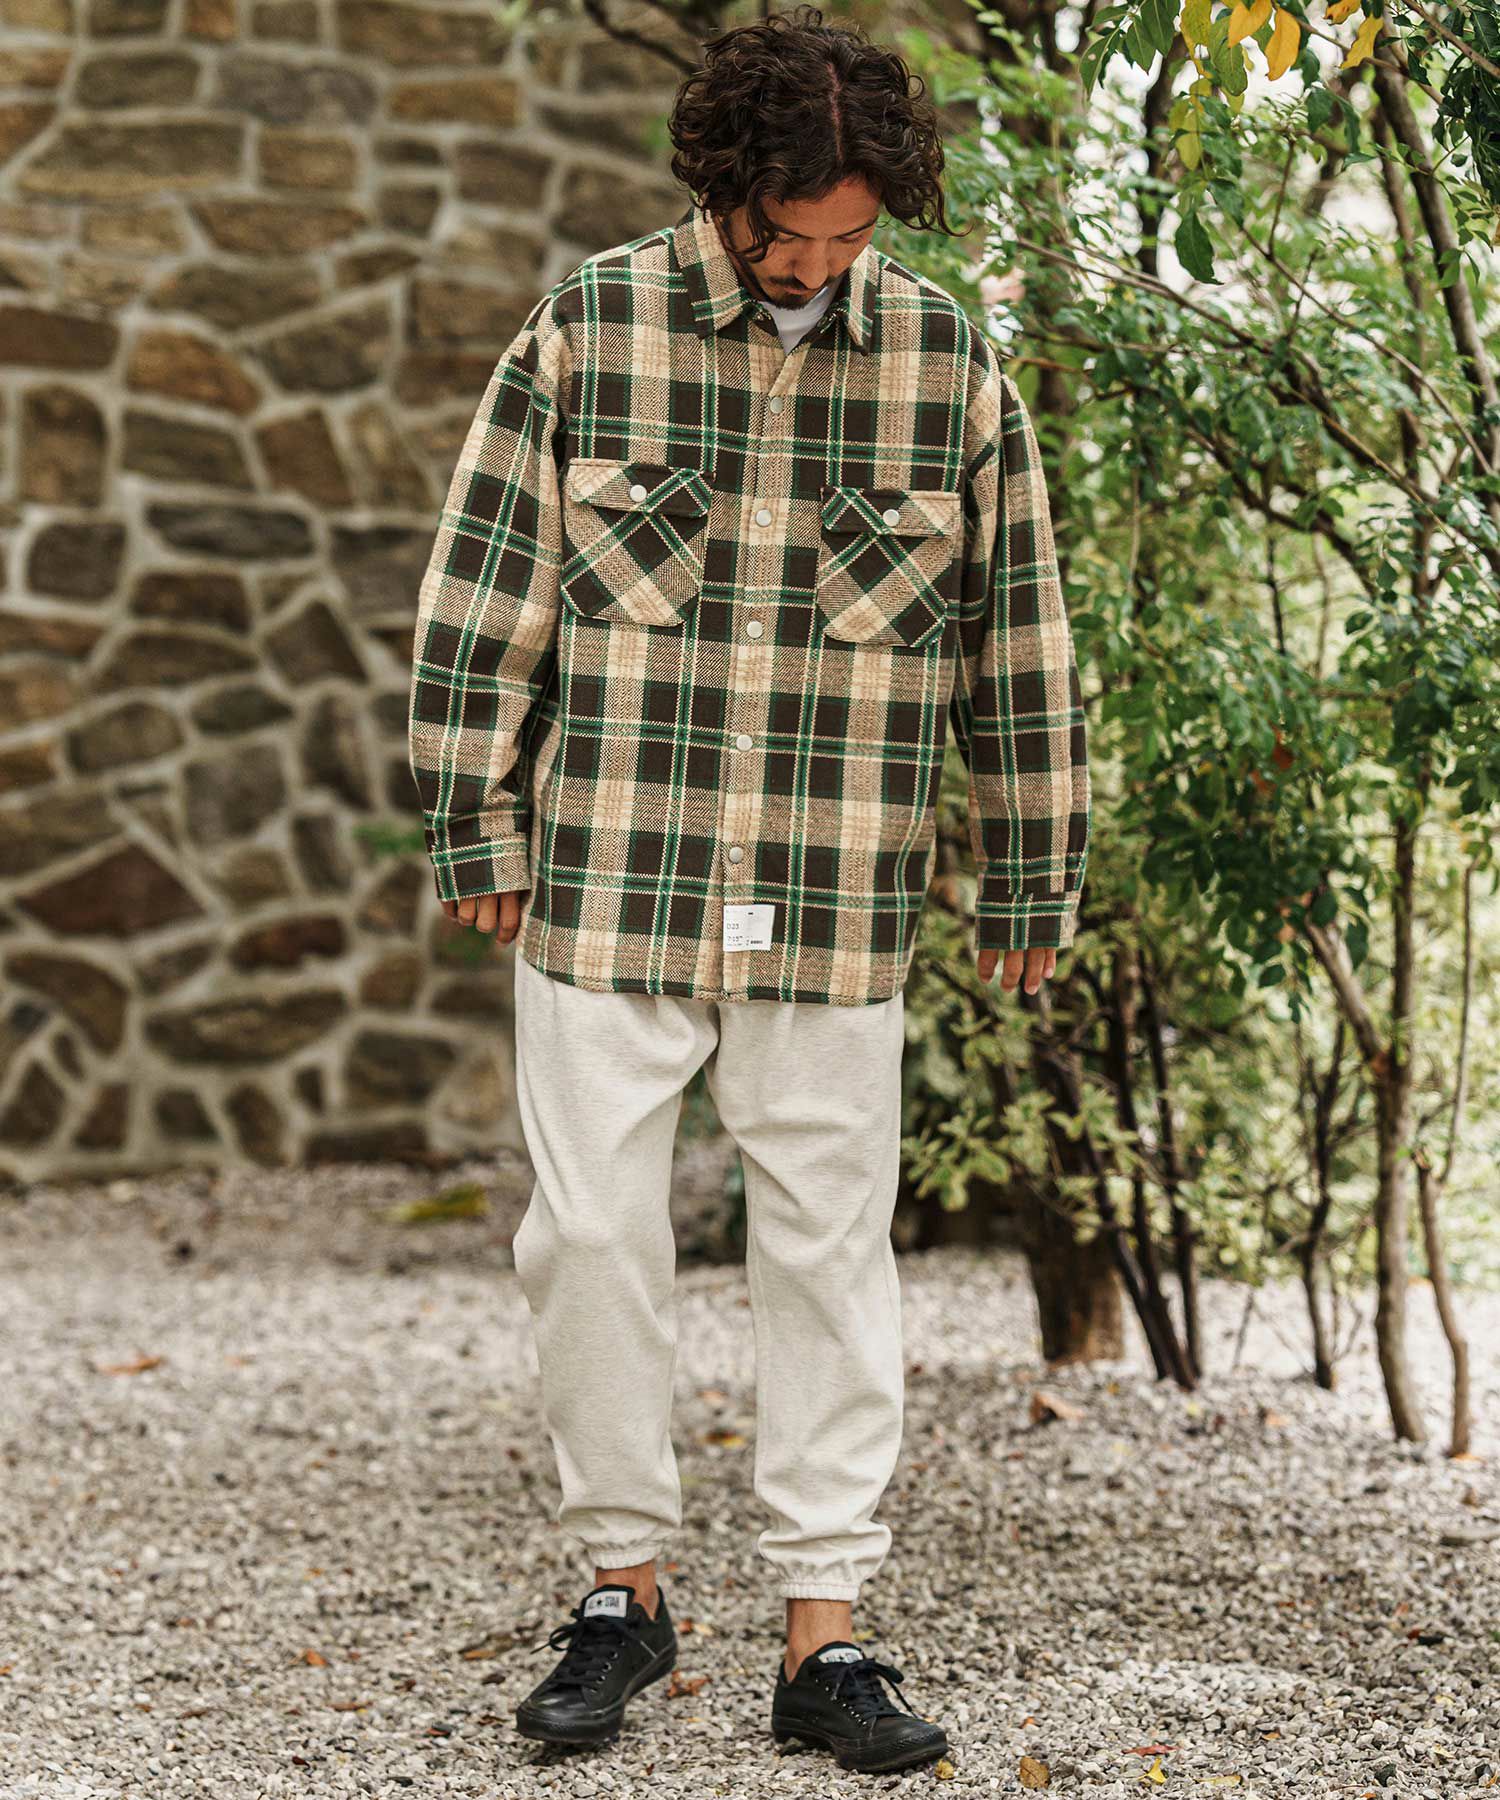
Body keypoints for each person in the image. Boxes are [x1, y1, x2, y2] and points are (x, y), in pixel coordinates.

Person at [407, 4, 1090, 1775]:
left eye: (850, 237)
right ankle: (621, 1596)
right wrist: (475, 820)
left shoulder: (947, 365)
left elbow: (1017, 637)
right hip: (606, 873)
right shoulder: (593, 325)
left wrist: (1031, 873)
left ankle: (825, 1635)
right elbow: (486, 587)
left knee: (830, 1250)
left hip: (833, 884)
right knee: (586, 1238)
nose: (815, 265)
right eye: (789, 233)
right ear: (723, 188)